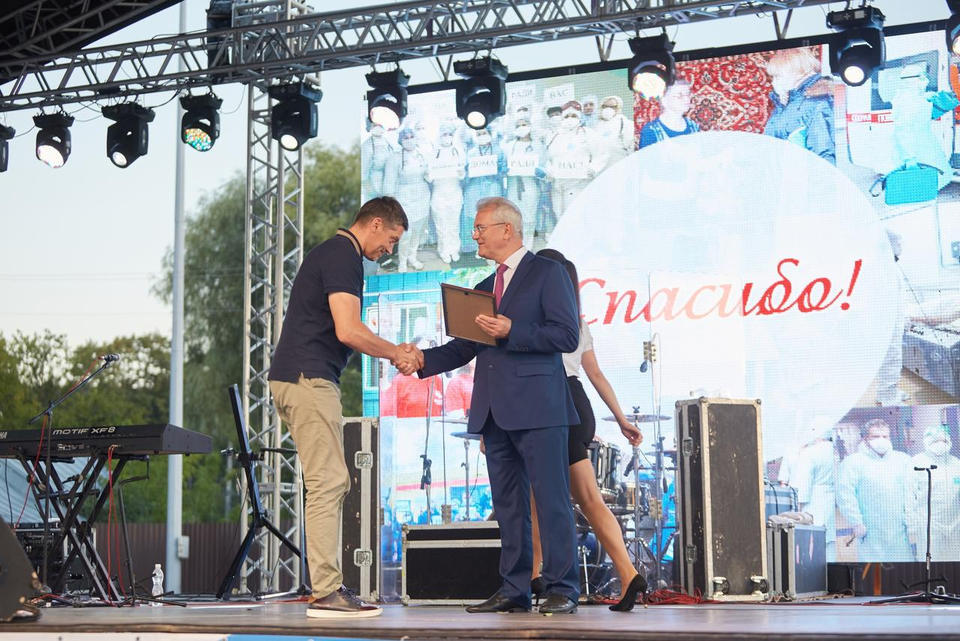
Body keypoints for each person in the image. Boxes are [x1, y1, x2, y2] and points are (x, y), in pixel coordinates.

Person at [407, 197, 582, 615]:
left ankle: (562, 587)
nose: (474, 236)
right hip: (494, 412)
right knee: (508, 507)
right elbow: (465, 347)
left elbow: (566, 335)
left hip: (540, 408)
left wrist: (512, 329)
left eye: (480, 228)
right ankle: (514, 588)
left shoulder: (549, 272)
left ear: (507, 229)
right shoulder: (485, 286)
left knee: (552, 501)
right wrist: (420, 360)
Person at [268, 196, 421, 618]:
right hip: (308, 378)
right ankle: (326, 590)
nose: (389, 250)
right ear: (375, 223)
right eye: (391, 240)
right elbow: (349, 330)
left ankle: (327, 586)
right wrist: (396, 353)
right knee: (329, 482)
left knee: (328, 480)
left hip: (304, 377)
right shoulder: (342, 256)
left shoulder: (337, 255)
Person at [529, 248, 647, 611]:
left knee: (547, 497)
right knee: (581, 498)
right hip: (577, 403)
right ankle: (627, 573)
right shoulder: (575, 321)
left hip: (554, 401)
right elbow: (594, 374)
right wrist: (620, 418)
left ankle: (537, 576)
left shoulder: (537, 318)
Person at [836, 418, 913, 561]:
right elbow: (846, 495)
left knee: (902, 567)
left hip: (899, 528)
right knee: (873, 570)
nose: (881, 440)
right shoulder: (853, 463)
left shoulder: (903, 460)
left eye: (885, 436)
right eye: (875, 436)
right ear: (865, 439)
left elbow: (912, 492)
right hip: (870, 529)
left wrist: (911, 519)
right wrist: (856, 522)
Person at [762, 48, 835, 164]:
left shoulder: (817, 103)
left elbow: (824, 156)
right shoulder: (786, 103)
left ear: (797, 73)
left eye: (778, 76)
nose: (773, 82)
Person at [908, 422, 960, 561]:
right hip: (929, 524)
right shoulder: (916, 463)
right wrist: (912, 526)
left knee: (954, 558)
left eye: (943, 440)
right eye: (935, 441)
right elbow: (909, 497)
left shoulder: (956, 463)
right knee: (931, 560)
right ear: (927, 442)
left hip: (955, 523)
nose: (940, 444)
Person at [384, 127, 431, 272]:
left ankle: (412, 257)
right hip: (404, 198)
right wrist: (391, 204)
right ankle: (402, 261)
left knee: (417, 231)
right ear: (401, 140)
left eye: (412, 137)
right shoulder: (395, 158)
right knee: (406, 233)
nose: (409, 140)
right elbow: (389, 182)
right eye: (406, 138)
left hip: (422, 196)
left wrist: (430, 175)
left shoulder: (422, 154)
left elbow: (429, 173)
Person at [428, 121, 466, 265]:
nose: (447, 137)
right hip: (439, 193)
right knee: (441, 224)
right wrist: (428, 175)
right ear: (440, 136)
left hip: (454, 191)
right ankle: (443, 251)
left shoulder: (458, 150)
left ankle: (454, 250)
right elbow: (428, 174)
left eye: (449, 134)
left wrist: (461, 173)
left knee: (453, 224)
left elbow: (463, 172)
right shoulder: (433, 152)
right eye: (444, 134)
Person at [638, 79, 700, 149]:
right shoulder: (650, 132)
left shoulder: (693, 127)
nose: (687, 99)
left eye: (688, 94)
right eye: (679, 95)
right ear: (664, 101)